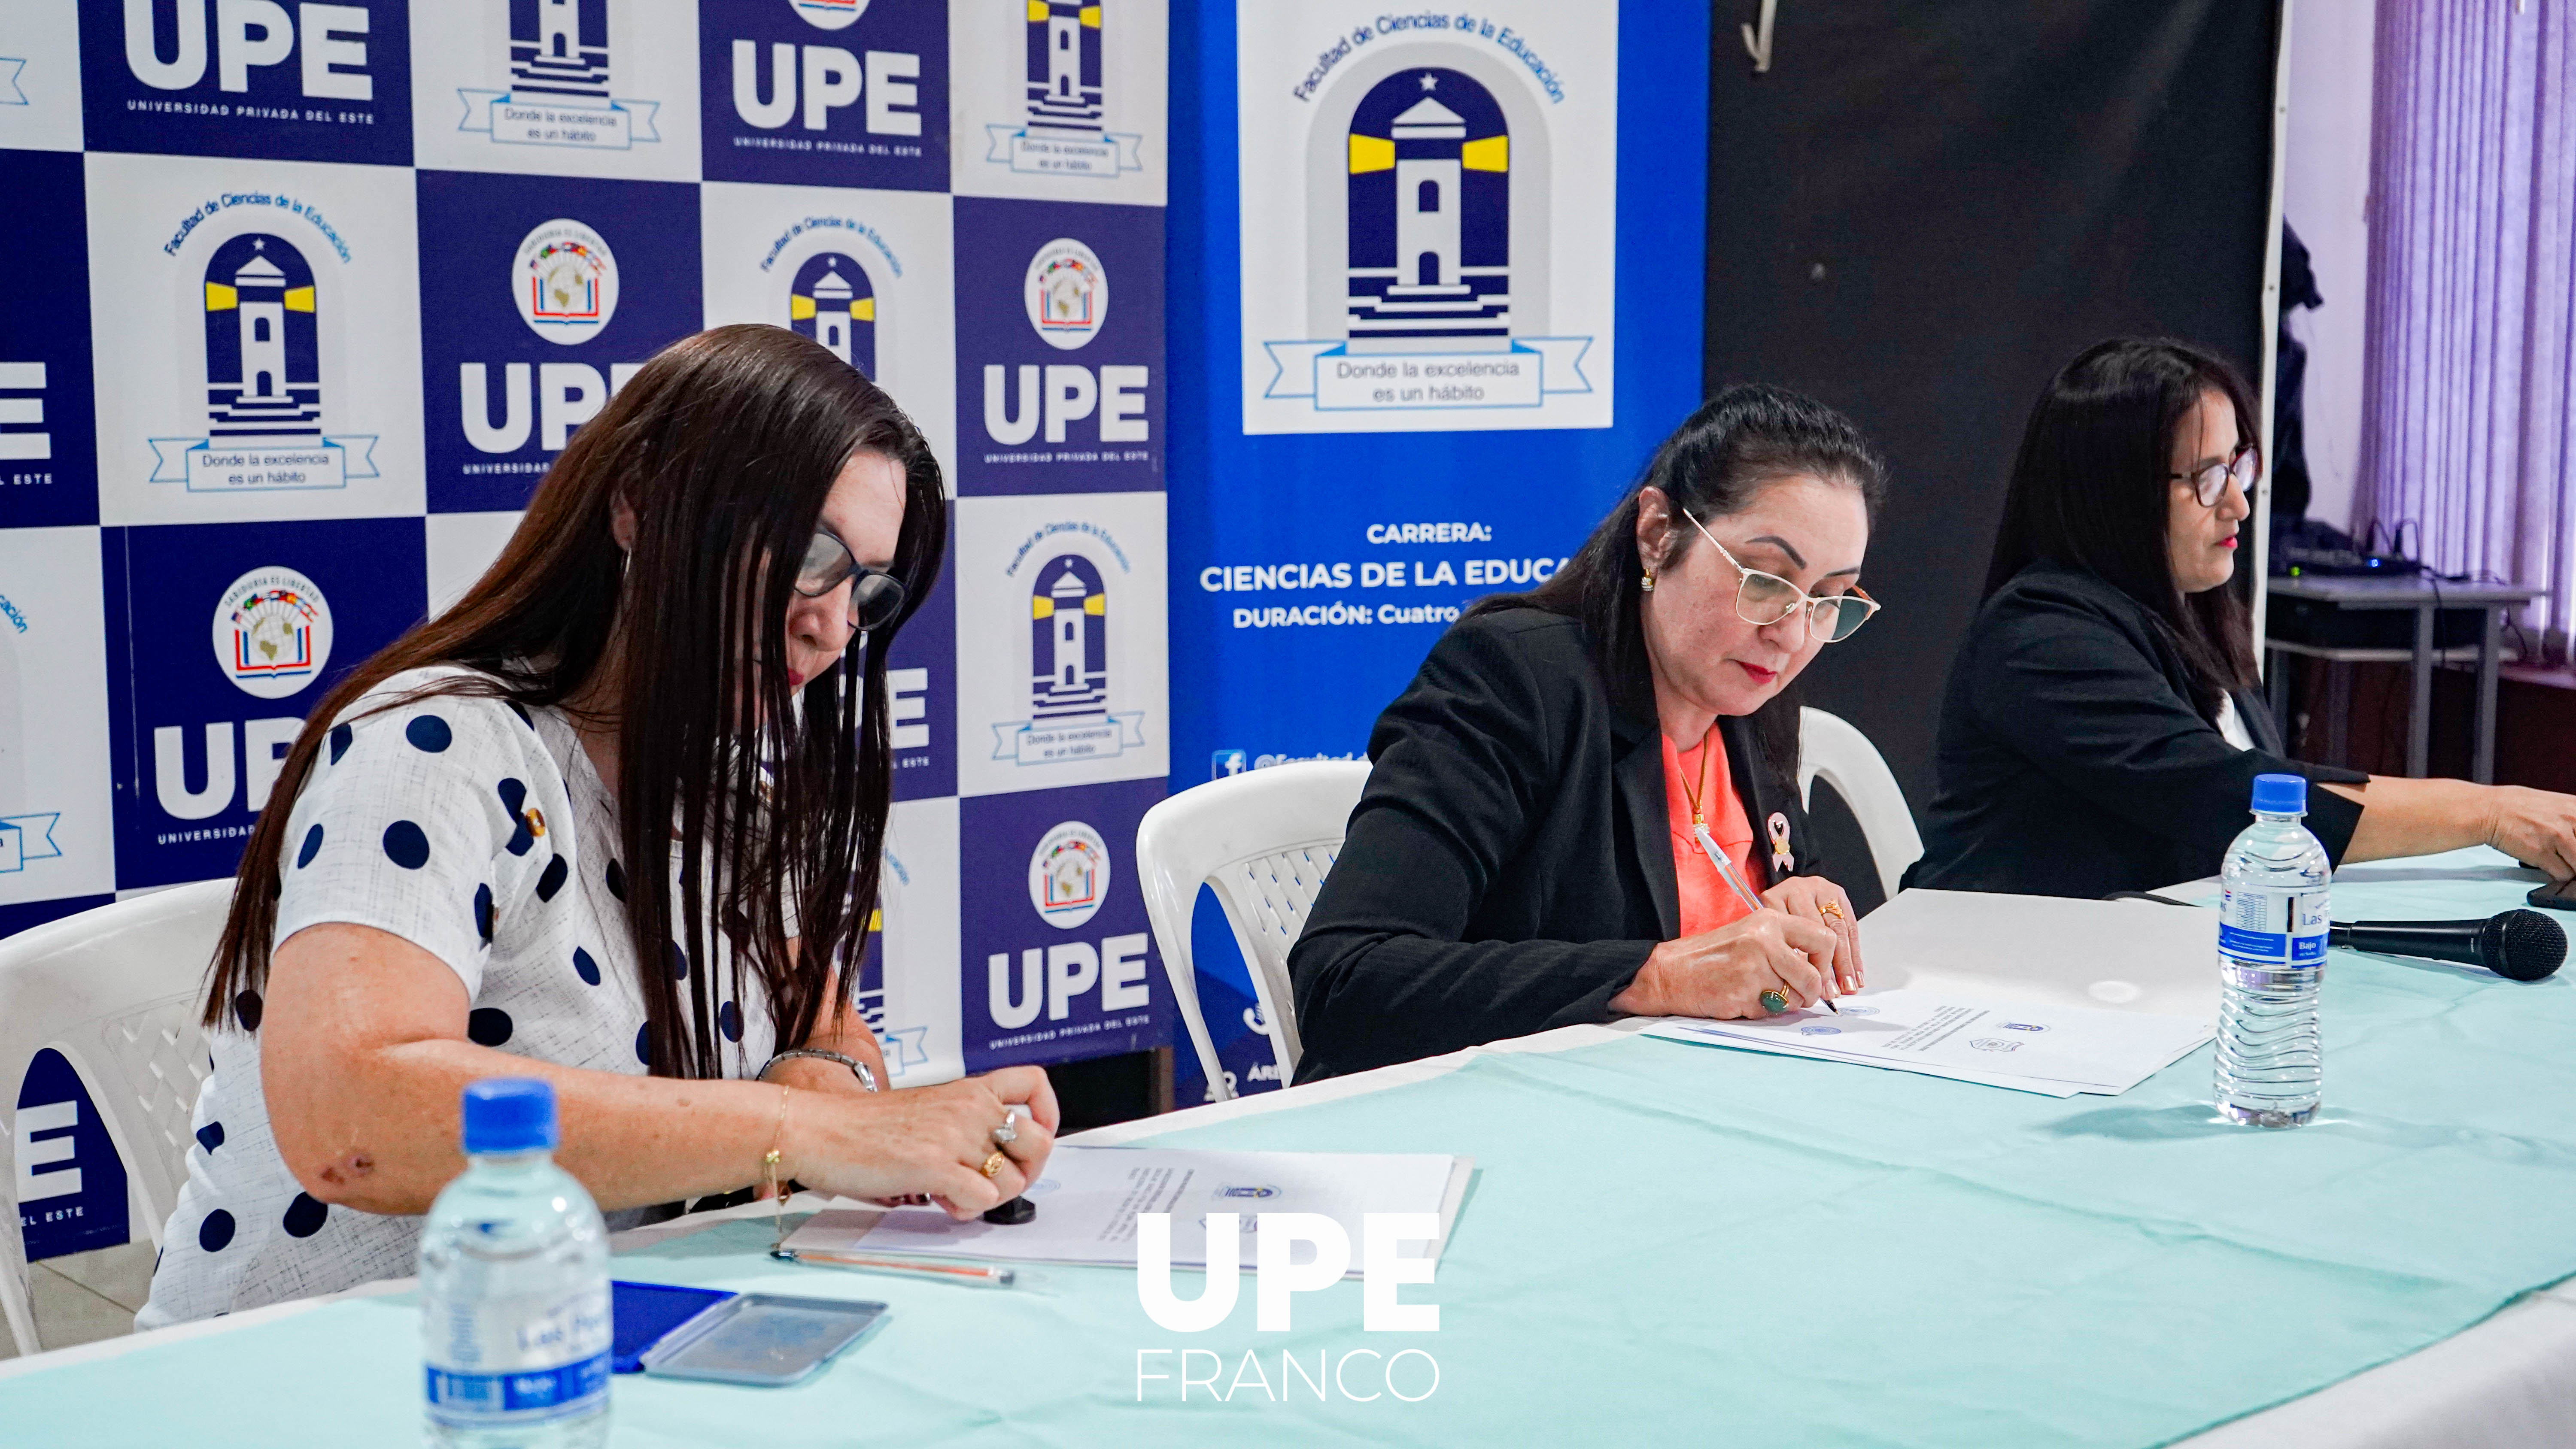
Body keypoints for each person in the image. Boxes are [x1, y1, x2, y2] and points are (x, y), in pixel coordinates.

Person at [140, 326, 1057, 1326]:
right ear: (638, 505)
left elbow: (823, 1017)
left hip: (591, 1341)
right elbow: (350, 1119)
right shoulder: (436, 743)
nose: (833, 626)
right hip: (320, 1371)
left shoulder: (721, 779)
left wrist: (825, 1077)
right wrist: (803, 1129)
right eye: (807, 556)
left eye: (864, 593)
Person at [1288, 386, 1887, 1082]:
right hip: (1466, 1121)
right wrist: (1659, 977)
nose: (1790, 633)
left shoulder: (1748, 691)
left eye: (1828, 600)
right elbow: (1347, 980)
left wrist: (1796, 894)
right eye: (1764, 580)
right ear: (1658, 534)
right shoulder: (1515, 679)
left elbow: (1763, 882)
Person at [1908, 336, 2576, 899]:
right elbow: (2235, 797)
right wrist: (2488, 811)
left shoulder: (2187, 614)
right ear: (2115, 495)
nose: (2239, 504)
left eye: (2238, 466)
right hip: (2004, 979)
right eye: (2206, 478)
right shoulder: (2041, 637)